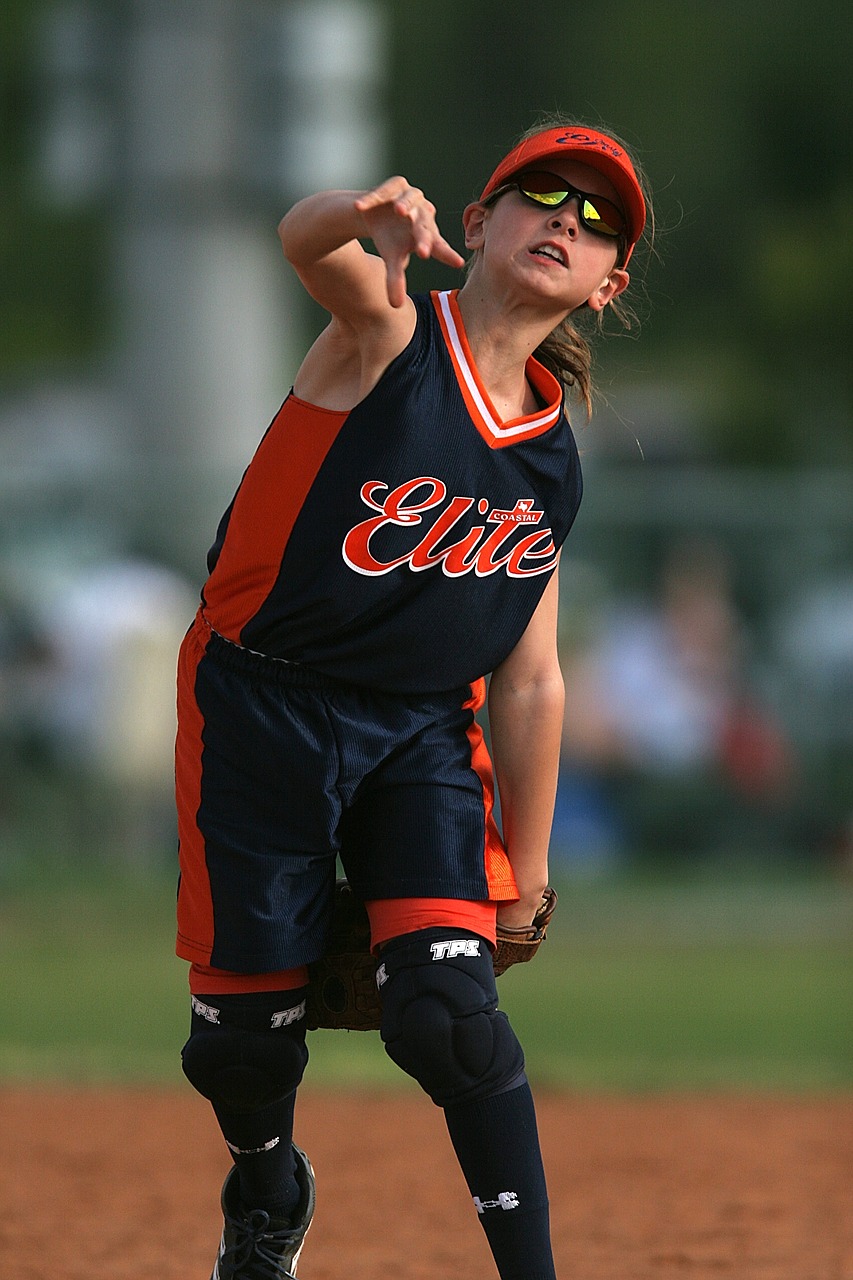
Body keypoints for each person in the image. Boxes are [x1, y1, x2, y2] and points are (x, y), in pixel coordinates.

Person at [175, 118, 650, 1280]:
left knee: (448, 1015)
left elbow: (528, 679)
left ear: (605, 287)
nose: (566, 223)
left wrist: (525, 870)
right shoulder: (389, 333)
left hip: (418, 733)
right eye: (541, 194)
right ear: (476, 225)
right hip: (259, 703)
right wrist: (361, 215)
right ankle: (270, 1183)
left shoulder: (549, 458)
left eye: (596, 223)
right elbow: (301, 241)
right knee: (240, 1046)